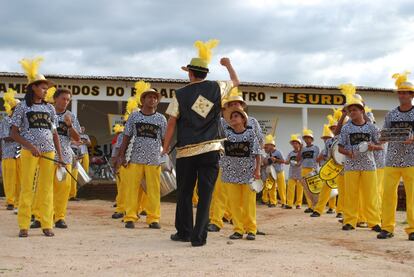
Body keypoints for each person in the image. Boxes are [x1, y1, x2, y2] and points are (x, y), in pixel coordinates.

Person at [163, 39, 239, 247]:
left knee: (185, 193)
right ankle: (199, 237)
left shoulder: (180, 94)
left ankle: (184, 232)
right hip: (211, 148)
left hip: (186, 152)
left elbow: (171, 123)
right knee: (206, 194)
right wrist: (228, 64)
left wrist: (164, 147)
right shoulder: (217, 87)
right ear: (205, 73)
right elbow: (236, 82)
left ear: (190, 73)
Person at [10, 57, 63, 237]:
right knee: (27, 187)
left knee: (46, 188)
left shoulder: (50, 109)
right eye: (42, 87)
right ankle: (24, 224)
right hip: (29, 152)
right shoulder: (22, 107)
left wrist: (60, 155)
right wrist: (30, 146)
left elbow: (54, 133)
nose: (45, 90)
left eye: (46, 88)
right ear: (33, 87)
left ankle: (46, 223)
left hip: (48, 151)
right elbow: (14, 133)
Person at [116, 81, 166, 230]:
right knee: (132, 189)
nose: (152, 100)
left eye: (155, 97)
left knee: (153, 190)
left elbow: (164, 139)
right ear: (142, 100)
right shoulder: (134, 116)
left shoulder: (161, 119)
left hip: (154, 159)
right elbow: (126, 136)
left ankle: (153, 218)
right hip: (134, 157)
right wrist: (121, 155)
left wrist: (165, 154)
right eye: (149, 97)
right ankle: (130, 217)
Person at [338, 84, 382, 232]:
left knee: (371, 195)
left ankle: (374, 222)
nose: (352, 112)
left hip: (369, 165)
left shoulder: (372, 128)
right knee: (351, 195)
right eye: (350, 110)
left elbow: (380, 145)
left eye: (355, 109)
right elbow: (340, 147)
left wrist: (372, 146)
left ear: (362, 110)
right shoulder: (346, 128)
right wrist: (348, 152)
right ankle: (350, 221)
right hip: (351, 166)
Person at [378, 72, 414, 240]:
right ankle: (387, 228)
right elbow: (383, 136)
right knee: (388, 195)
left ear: (411, 95)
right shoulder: (390, 114)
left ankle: (412, 229)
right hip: (391, 159)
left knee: (413, 196)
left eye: (405, 92)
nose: (402, 95)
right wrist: (383, 137)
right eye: (400, 92)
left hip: (411, 160)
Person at [221, 107, 261, 240]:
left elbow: (257, 153)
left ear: (244, 119)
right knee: (234, 204)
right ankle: (238, 229)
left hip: (248, 174)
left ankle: (251, 229)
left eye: (236, 116)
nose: (233, 118)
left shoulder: (250, 134)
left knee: (249, 203)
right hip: (231, 173)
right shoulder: (226, 134)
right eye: (231, 117)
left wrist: (257, 170)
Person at [0, 89, 21, 212]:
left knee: (21, 179)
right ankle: (10, 202)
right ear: (13, 109)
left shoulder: (22, 121)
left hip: (21, 153)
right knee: (9, 179)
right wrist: (18, 135)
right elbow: (5, 137)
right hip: (8, 153)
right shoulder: (5, 120)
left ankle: (19, 202)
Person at [311, 124, 336, 217]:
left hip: (343, 168)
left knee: (342, 190)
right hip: (330, 168)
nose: (325, 139)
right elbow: (324, 155)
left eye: (327, 137)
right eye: (332, 128)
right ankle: (319, 210)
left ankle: (340, 211)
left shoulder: (345, 137)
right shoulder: (328, 142)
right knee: (326, 188)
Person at [297, 128, 320, 213]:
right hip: (304, 169)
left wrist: (317, 168)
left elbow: (318, 158)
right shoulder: (302, 149)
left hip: (313, 169)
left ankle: (316, 206)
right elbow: (298, 159)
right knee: (306, 190)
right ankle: (310, 206)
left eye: (308, 138)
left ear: (312, 139)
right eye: (305, 138)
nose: (307, 139)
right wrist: (300, 149)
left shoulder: (316, 148)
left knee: (314, 189)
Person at [261, 134, 286, 208]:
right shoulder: (268, 154)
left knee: (281, 188)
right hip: (271, 173)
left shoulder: (278, 152)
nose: (266, 147)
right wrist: (266, 161)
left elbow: (283, 161)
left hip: (279, 172)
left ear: (272, 145)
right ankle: (273, 202)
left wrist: (276, 160)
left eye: (267, 145)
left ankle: (284, 202)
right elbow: (266, 162)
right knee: (271, 187)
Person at [285, 134, 303, 209]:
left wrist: (296, 162)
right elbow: (287, 162)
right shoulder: (290, 153)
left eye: (296, 143)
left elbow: (302, 161)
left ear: (299, 144)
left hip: (300, 172)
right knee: (290, 189)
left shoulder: (302, 153)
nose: (295, 145)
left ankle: (298, 204)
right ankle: (289, 204)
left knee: (300, 189)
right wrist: (287, 161)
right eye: (293, 143)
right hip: (292, 173)